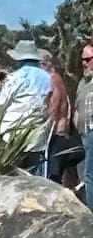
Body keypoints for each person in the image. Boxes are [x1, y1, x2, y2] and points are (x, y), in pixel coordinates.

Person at [0, 40, 52, 176]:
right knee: (35, 179)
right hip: (37, 137)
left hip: (13, 137)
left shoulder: (14, 78)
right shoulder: (47, 78)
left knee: (14, 179)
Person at [41, 50, 84, 186]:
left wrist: (45, 126)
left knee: (53, 178)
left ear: (45, 63)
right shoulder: (54, 79)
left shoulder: (53, 79)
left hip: (57, 136)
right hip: (55, 135)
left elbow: (54, 108)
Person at [76, 44, 93, 206]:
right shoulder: (83, 83)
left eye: (87, 60)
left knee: (89, 175)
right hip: (84, 135)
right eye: (83, 60)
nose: (84, 63)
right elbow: (77, 107)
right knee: (85, 176)